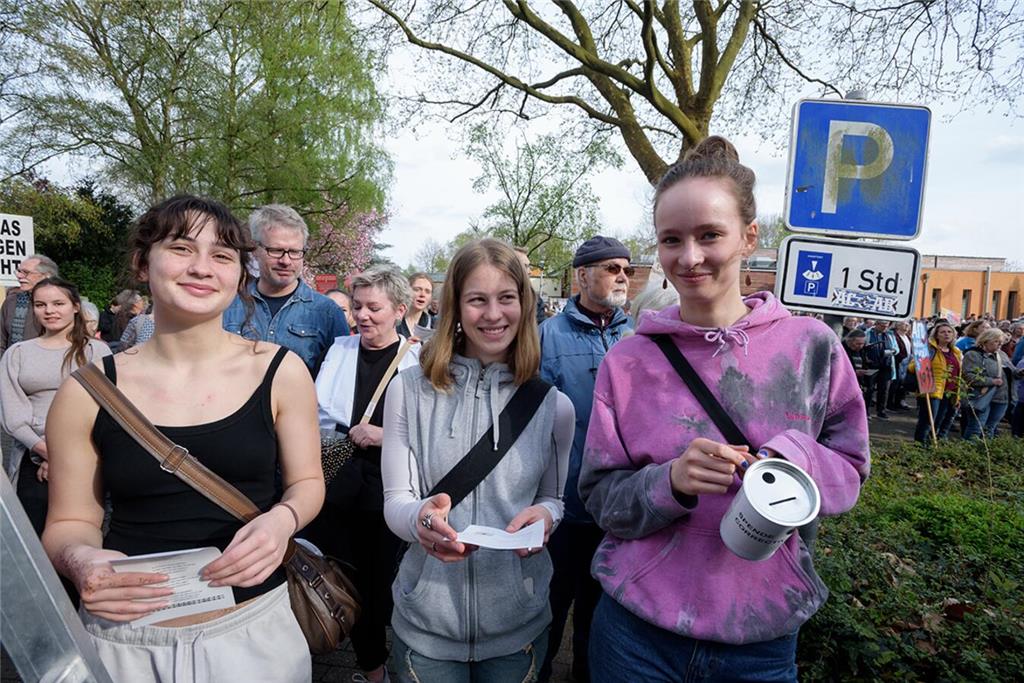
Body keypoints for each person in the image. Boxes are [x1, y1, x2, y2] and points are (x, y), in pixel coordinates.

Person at [578, 136, 870, 682]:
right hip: (637, 631)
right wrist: (671, 482)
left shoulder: (810, 347)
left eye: (709, 234)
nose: (689, 258)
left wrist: (793, 457)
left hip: (758, 636)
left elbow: (849, 473)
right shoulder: (629, 361)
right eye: (671, 240)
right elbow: (600, 498)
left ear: (749, 238)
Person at [41, 195, 324, 681]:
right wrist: (81, 560)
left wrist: (284, 520)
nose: (201, 268)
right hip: (126, 641)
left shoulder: (281, 371)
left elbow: (308, 483)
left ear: (240, 274)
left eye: (221, 256)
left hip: (255, 632)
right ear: (142, 262)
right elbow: (69, 521)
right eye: (181, 248)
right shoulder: (85, 391)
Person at [381, 238, 574, 682]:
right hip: (427, 629)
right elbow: (396, 500)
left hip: (517, 628)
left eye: (507, 298)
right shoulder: (407, 391)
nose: (493, 314)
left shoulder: (554, 406)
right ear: (456, 308)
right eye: (477, 300)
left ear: (524, 305)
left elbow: (554, 498)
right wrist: (421, 522)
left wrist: (544, 516)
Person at [306, 265, 421, 683]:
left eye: (375, 307)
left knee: (376, 584)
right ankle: (365, 664)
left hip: (386, 486)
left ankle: (381, 669)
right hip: (337, 478)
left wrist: (384, 434)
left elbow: (428, 433)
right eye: (357, 306)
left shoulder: (417, 361)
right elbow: (319, 412)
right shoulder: (340, 350)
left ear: (399, 310)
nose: (364, 315)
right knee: (334, 573)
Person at [536, 235, 633, 683]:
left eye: (627, 269)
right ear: (581, 275)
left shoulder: (639, 337)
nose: (622, 276)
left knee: (600, 620)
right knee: (549, 610)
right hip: (565, 505)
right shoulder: (547, 336)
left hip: (620, 509)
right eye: (612, 268)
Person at [0, 278, 111, 532]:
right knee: (37, 536)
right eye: (41, 304)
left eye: (58, 303)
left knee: (83, 536)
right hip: (33, 456)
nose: (49, 311)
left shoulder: (97, 352)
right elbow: (14, 417)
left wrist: (62, 456)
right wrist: (47, 452)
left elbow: (105, 409)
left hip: (89, 456)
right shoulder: (17, 353)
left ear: (75, 306)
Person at [223, 203, 349, 376]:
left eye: (295, 252)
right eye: (276, 250)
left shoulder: (328, 313)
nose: (286, 261)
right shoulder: (227, 305)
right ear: (255, 250)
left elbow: (337, 382)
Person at [910, 321, 962, 444]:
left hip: (949, 392)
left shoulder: (956, 352)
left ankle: (931, 445)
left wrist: (958, 394)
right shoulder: (929, 349)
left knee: (940, 421)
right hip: (932, 391)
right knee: (928, 421)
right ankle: (920, 446)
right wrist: (921, 363)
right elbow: (912, 367)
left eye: (949, 332)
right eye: (943, 332)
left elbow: (958, 373)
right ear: (936, 335)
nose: (946, 334)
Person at [962, 328, 1016, 439]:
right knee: (976, 428)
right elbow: (968, 377)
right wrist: (992, 381)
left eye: (1001, 342)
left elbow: (1012, 371)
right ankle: (968, 453)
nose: (1000, 344)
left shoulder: (1002, 355)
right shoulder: (973, 354)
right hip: (982, 396)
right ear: (986, 340)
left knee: (989, 429)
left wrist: (1019, 373)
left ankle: (984, 454)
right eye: (997, 341)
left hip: (1001, 398)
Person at [0, 254, 59, 355]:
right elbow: (1, 340)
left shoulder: (63, 302)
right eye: (19, 271)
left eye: (26, 272)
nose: (19, 276)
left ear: (46, 275)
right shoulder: (11, 302)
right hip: (12, 366)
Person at [866, 320, 898, 419]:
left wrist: (890, 352)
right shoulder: (868, 333)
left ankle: (881, 411)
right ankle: (866, 411)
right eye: (882, 325)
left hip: (886, 365)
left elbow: (896, 349)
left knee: (884, 389)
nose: (884, 328)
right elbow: (863, 346)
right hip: (872, 364)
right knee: (869, 389)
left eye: (886, 326)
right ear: (876, 324)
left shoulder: (890, 335)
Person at [397, 272, 435, 338]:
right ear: (407, 291)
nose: (422, 294)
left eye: (427, 291)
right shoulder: (393, 322)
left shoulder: (435, 325)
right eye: (417, 290)